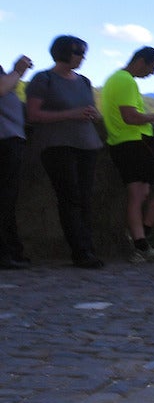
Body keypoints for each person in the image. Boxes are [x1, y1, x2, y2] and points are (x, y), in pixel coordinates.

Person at [25, 35, 105, 268]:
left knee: (85, 198)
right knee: (70, 197)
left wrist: (93, 114)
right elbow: (33, 115)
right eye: (78, 52)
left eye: (83, 52)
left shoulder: (84, 81)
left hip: (87, 144)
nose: (82, 57)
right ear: (63, 53)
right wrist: (71, 114)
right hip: (57, 145)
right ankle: (80, 252)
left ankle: (88, 248)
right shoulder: (43, 79)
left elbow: (91, 112)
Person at [101, 46, 154, 263]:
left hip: (118, 145)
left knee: (137, 195)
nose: (152, 73)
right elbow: (130, 117)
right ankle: (143, 235)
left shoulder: (113, 79)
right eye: (152, 67)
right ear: (141, 61)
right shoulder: (126, 80)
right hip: (137, 142)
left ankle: (139, 246)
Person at [0, 53, 34, 270]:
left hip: (10, 140)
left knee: (8, 200)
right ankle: (5, 254)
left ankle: (11, 251)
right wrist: (18, 71)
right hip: (4, 141)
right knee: (4, 200)